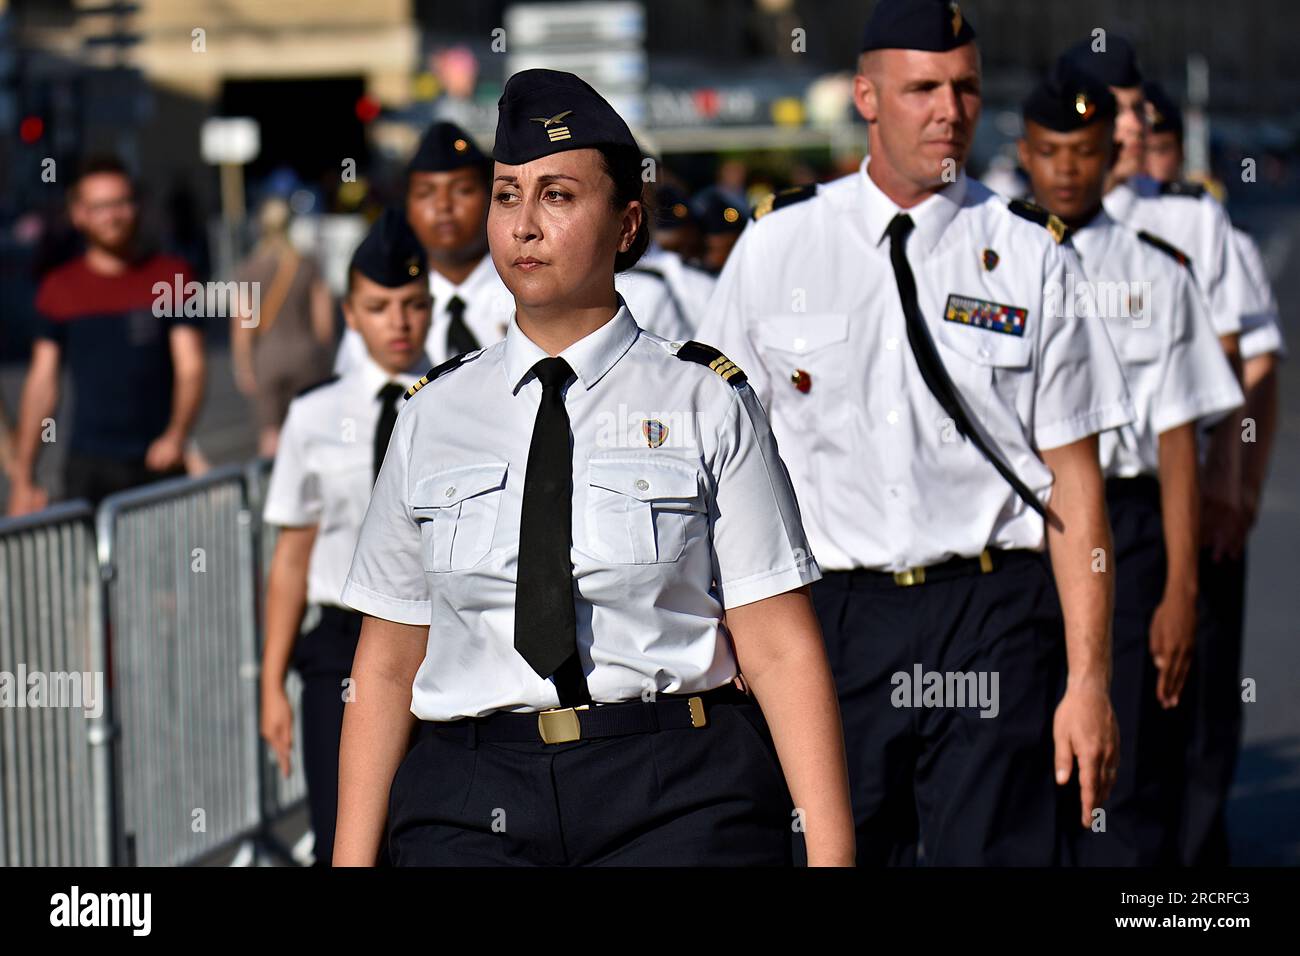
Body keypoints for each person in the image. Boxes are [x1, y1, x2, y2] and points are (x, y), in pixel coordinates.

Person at [333, 68, 854, 867]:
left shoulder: (705, 399)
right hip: (472, 796)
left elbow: (779, 646)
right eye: (507, 195)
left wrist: (830, 854)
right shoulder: (432, 413)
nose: (524, 226)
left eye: (558, 196)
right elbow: (389, 656)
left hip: (671, 788)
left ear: (626, 223)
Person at [699, 0, 1133, 865]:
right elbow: (716, 460)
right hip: (836, 620)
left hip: (993, 613)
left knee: (1001, 851)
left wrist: (1089, 681)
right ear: (866, 95)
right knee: (842, 848)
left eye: (966, 88)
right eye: (923, 88)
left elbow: (1075, 485)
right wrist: (726, 631)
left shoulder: (1033, 253)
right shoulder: (779, 245)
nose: (950, 110)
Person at [1018, 66, 1243, 865]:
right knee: (1022, 774)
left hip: (1133, 534)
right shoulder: (997, 260)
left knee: (1131, 771)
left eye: (1086, 151)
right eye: (1053, 152)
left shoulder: (1158, 269)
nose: (1070, 169)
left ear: (1108, 152)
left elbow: (1179, 442)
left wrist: (1183, 591)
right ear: (1026, 155)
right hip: (1025, 541)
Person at [1141, 77, 1288, 866]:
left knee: (1200, 697)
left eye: (1157, 140)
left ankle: (1193, 872)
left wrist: (1238, 484)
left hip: (1193, 479)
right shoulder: (1051, 223)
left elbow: (1248, 364)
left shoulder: (1200, 224)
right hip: (1101, 505)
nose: (1143, 152)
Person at [259, 209, 433, 867]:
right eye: (379, 306)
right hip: (340, 647)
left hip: (438, 639)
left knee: (428, 832)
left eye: (414, 305)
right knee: (345, 837)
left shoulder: (462, 400)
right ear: (350, 313)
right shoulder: (314, 415)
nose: (399, 322)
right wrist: (270, 682)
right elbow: (292, 556)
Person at [5, 155, 206, 514]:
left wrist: (177, 435)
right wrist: (23, 477)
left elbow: (191, 367)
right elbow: (42, 383)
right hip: (88, 468)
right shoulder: (59, 287)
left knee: (164, 568)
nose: (112, 216)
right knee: (91, 570)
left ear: (136, 206)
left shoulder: (173, 276)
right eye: (99, 207)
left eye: (121, 203)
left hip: (158, 462)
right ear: (79, 214)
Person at [231, 196, 335, 458]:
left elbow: (244, 326)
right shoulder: (307, 265)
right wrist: (323, 357)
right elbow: (324, 324)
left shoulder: (249, 269)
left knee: (271, 437)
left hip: (267, 359)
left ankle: (275, 492)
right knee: (311, 432)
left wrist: (244, 366)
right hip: (306, 357)